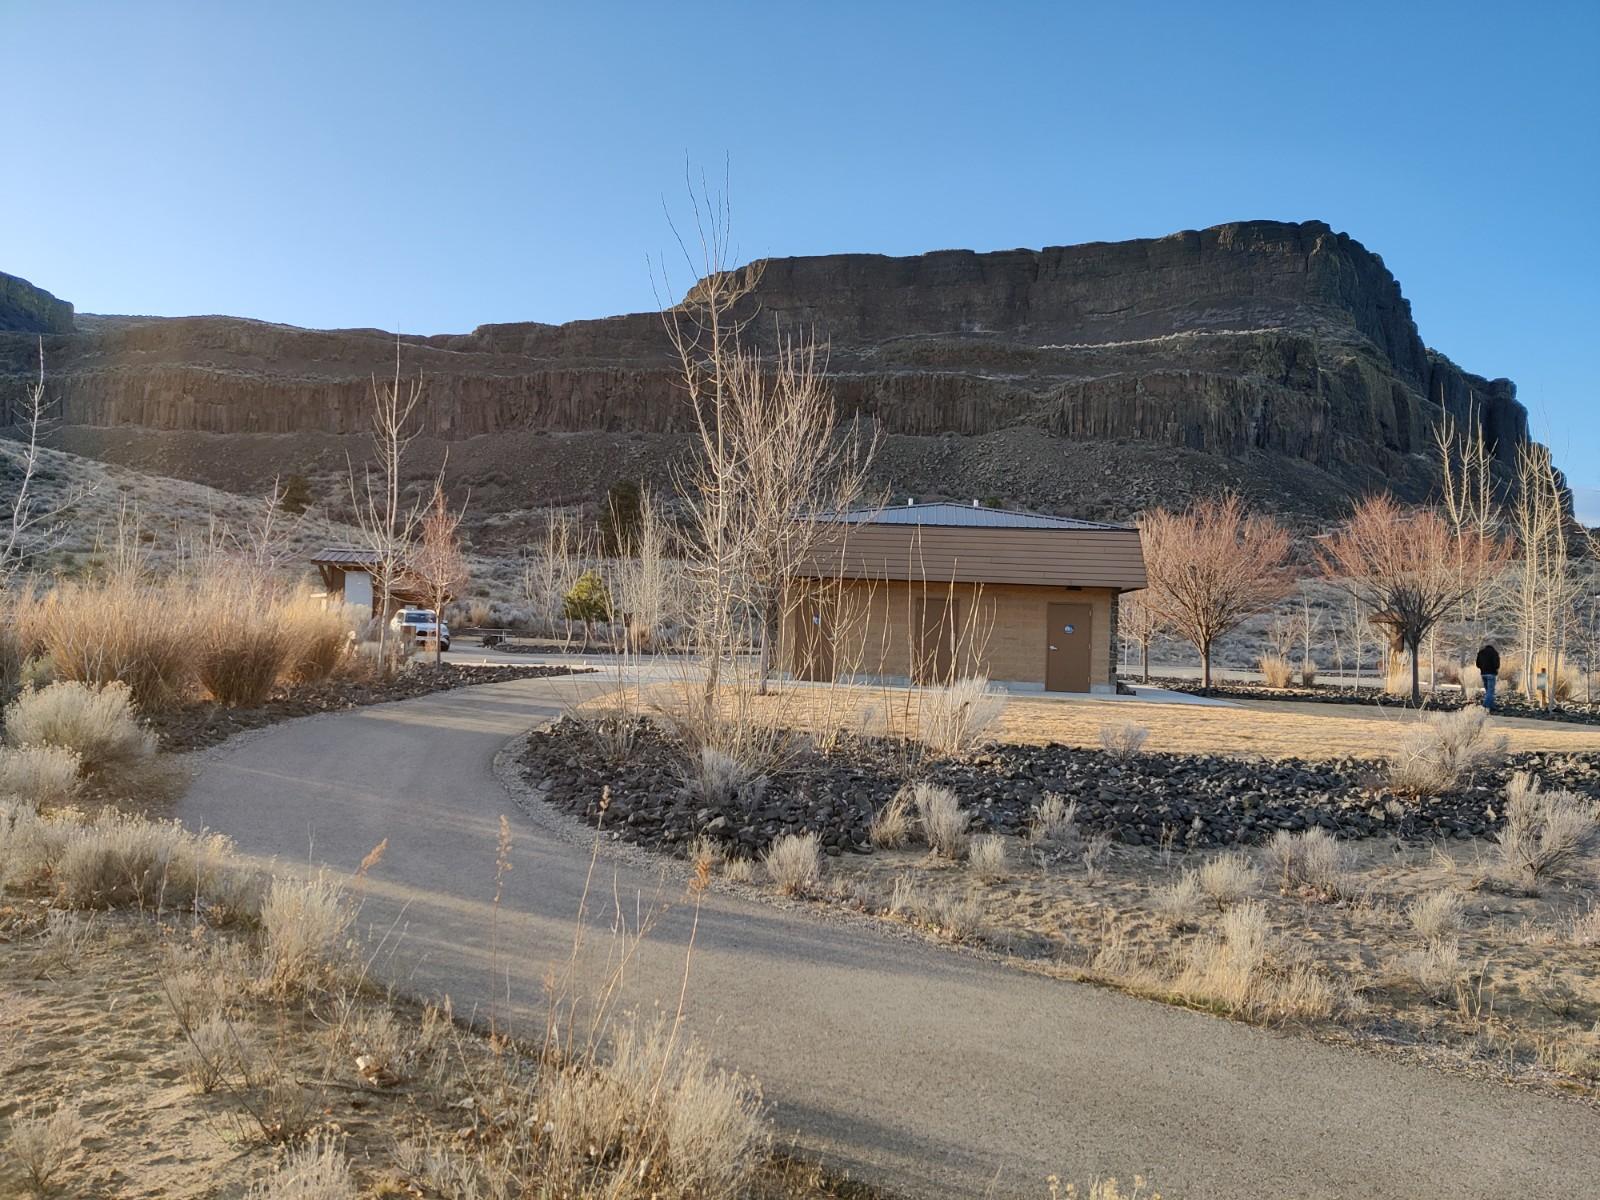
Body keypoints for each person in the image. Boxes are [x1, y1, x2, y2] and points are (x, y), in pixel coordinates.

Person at [1476, 642, 1500, 710]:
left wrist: (1482, 668)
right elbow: (1497, 665)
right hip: (1491, 674)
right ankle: (1485, 705)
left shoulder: (1481, 653)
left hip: (1483, 674)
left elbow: (1477, 664)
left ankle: (1491, 706)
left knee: (1488, 691)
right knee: (1490, 691)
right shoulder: (1494, 653)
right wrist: (1495, 669)